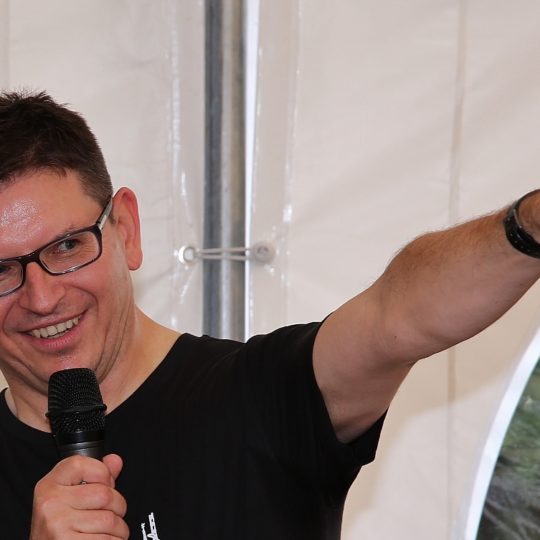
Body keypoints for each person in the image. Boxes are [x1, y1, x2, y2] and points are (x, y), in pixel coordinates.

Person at [0, 90, 539, 540]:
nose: (42, 298)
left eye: (68, 246)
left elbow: (397, 317)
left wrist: (529, 226)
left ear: (126, 229)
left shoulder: (259, 395)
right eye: (1, 270)